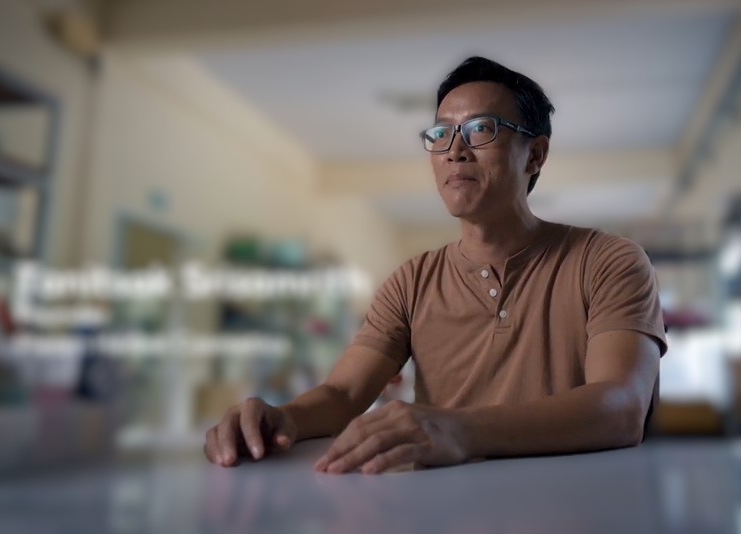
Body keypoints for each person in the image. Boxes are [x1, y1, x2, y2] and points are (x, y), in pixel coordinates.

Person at [204, 56, 667, 474]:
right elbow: (343, 395)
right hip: (444, 512)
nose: (454, 151)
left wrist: (461, 430)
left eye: (481, 129)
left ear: (536, 154)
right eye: (441, 134)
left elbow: (622, 407)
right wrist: (282, 418)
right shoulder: (411, 282)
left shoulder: (607, 261)